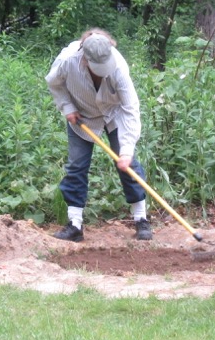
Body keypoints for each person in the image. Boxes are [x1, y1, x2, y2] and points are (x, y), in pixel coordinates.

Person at [45, 28, 152, 242]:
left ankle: (141, 220)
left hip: (114, 114)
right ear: (85, 58)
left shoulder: (118, 66)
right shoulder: (67, 60)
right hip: (81, 116)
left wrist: (127, 150)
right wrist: (66, 107)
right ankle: (75, 225)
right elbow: (53, 83)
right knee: (76, 166)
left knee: (128, 166)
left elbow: (131, 107)